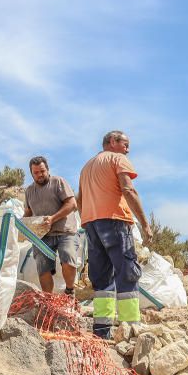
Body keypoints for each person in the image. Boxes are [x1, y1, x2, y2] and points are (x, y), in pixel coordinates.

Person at [76, 131, 153, 339]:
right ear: (112, 142)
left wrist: (87, 220)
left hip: (91, 224)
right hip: (115, 221)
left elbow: (79, 200)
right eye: (125, 144)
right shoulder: (117, 159)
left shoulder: (86, 167)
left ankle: (102, 330)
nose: (128, 149)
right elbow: (128, 190)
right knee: (127, 272)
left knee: (102, 279)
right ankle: (130, 326)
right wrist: (145, 224)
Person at [23, 156, 80, 296]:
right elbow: (28, 212)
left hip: (64, 231)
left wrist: (53, 218)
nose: (39, 175)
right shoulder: (29, 191)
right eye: (35, 173)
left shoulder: (58, 182)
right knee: (43, 268)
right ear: (32, 174)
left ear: (47, 169)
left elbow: (72, 204)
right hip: (42, 236)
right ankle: (48, 300)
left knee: (68, 258)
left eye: (42, 171)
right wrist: (21, 226)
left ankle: (70, 291)